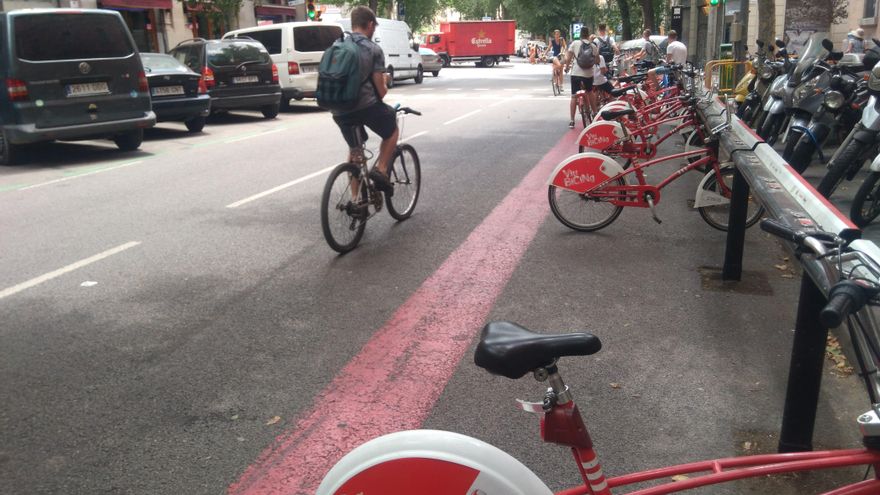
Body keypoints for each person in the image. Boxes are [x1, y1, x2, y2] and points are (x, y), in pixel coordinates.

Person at [330, 6, 397, 195]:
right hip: (365, 107)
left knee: (355, 151)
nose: (374, 29)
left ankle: (355, 199)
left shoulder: (336, 45)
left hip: (338, 109)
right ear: (369, 25)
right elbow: (381, 92)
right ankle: (381, 170)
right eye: (374, 26)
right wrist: (385, 80)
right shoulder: (373, 49)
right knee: (392, 127)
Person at [564, 26, 599, 128]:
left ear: (580, 34)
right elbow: (597, 61)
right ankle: (595, 112)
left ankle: (572, 120)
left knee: (574, 96)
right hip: (588, 74)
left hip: (576, 73)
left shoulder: (575, 43)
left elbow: (568, 57)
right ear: (588, 35)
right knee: (590, 92)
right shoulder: (593, 46)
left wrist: (566, 67)